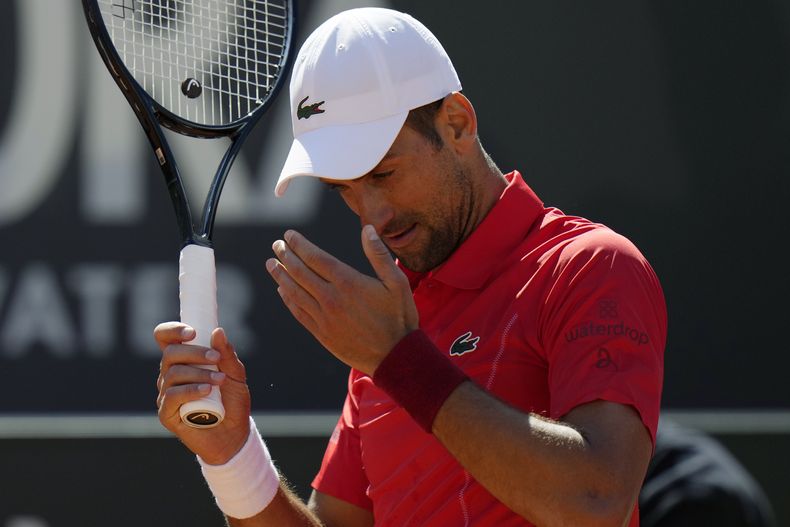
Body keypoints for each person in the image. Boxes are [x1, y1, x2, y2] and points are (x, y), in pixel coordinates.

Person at [155, 7, 666, 526]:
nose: (372, 216)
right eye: (344, 190)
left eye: (383, 174)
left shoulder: (590, 266)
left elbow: (597, 502)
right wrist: (231, 455)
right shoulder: (387, 330)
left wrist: (398, 360)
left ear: (457, 124)